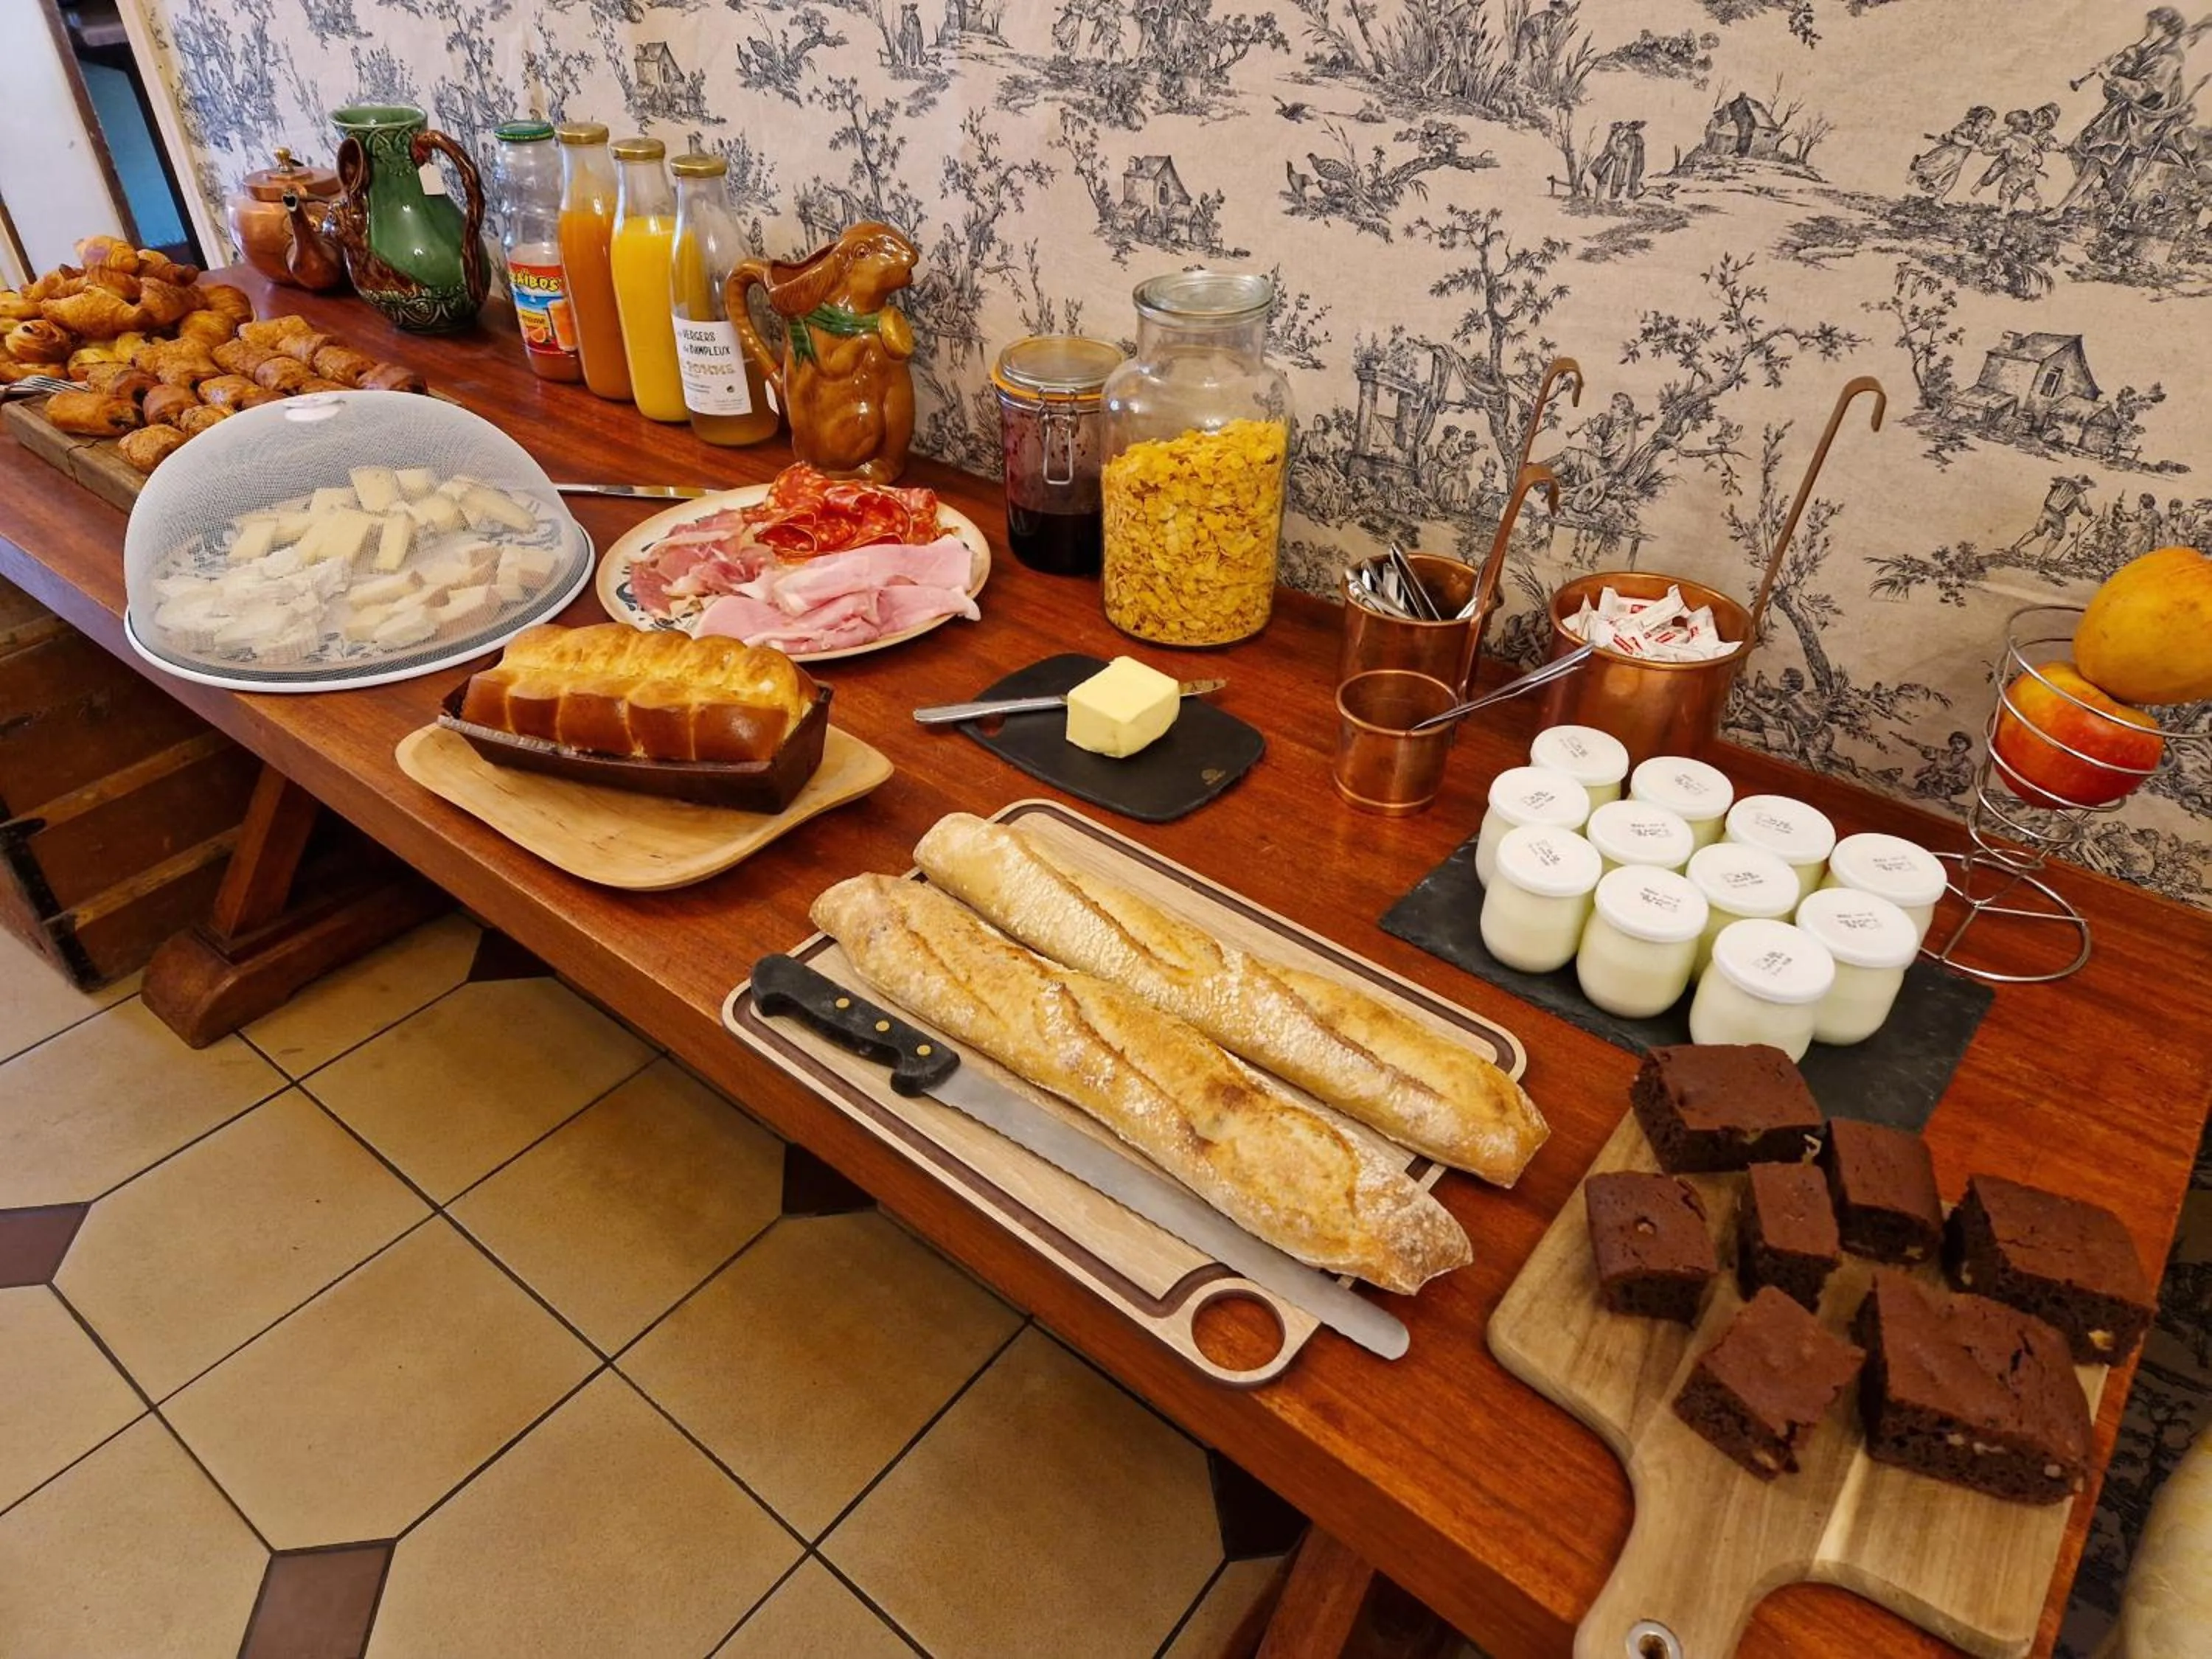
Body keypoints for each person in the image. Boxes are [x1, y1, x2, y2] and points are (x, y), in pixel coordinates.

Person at [2060, 8, 2194, 215]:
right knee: (2077, 147)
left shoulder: (2171, 59)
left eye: (2153, 25)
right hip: (2128, 110)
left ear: (2167, 30)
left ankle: (2062, 208)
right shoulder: (2155, 48)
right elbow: (2130, 74)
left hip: (2144, 119)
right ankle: (2090, 201)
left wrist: (2111, 78)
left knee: (2098, 153)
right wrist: (2125, 59)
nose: (2148, 29)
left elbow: (2145, 90)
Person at [1913, 106, 1997, 198]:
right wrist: (1971, 144)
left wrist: (1989, 144)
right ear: (1977, 118)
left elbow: (1983, 147)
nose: (1989, 122)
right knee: (1936, 167)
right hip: (1950, 153)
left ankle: (1938, 198)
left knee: (1951, 179)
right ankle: (1920, 174)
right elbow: (1957, 139)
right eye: (1986, 118)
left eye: (1991, 120)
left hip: (1960, 159)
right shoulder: (1966, 126)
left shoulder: (1984, 134)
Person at [2011, 473, 2096, 554]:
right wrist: (2090, 515)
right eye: (2085, 488)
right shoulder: (2079, 496)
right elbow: (2084, 509)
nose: (2085, 489)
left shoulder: (2060, 485)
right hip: (2059, 515)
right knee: (2058, 535)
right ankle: (2043, 559)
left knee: (2038, 531)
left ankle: (2017, 546)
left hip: (2046, 510)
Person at [1588, 119, 1647, 201]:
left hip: (1627, 165)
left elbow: (1639, 155)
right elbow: (1612, 145)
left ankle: (1621, 201)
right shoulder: (1620, 134)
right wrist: (1617, 152)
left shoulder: (1637, 138)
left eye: (1634, 127)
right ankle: (1599, 201)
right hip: (1615, 161)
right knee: (1605, 179)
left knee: (1624, 183)